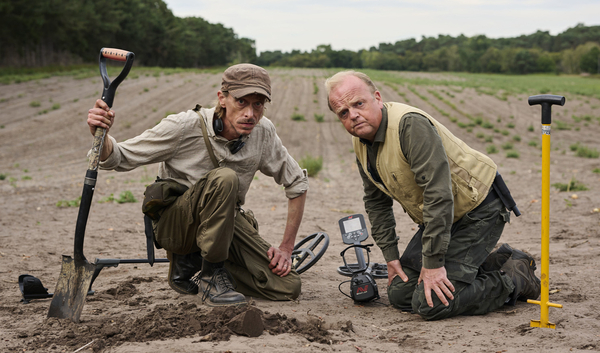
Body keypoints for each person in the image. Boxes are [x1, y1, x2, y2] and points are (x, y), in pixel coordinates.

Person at [325, 70, 540, 320]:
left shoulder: (409, 126)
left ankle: (515, 278)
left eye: (358, 104)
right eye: (343, 113)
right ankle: (493, 262)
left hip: (479, 208)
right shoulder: (361, 140)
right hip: (443, 218)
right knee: (400, 292)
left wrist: (434, 264)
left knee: (431, 303)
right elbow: (376, 202)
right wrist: (391, 257)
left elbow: (438, 195)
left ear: (377, 97)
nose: (353, 115)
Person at [87, 64, 308, 307]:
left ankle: (195, 269)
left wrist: (287, 248)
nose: (250, 113)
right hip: (177, 226)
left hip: (222, 225)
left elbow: (296, 182)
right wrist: (102, 134)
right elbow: (119, 157)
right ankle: (208, 272)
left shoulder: (263, 132)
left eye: (258, 104)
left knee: (288, 287)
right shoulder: (184, 126)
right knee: (224, 178)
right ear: (222, 98)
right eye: (242, 102)